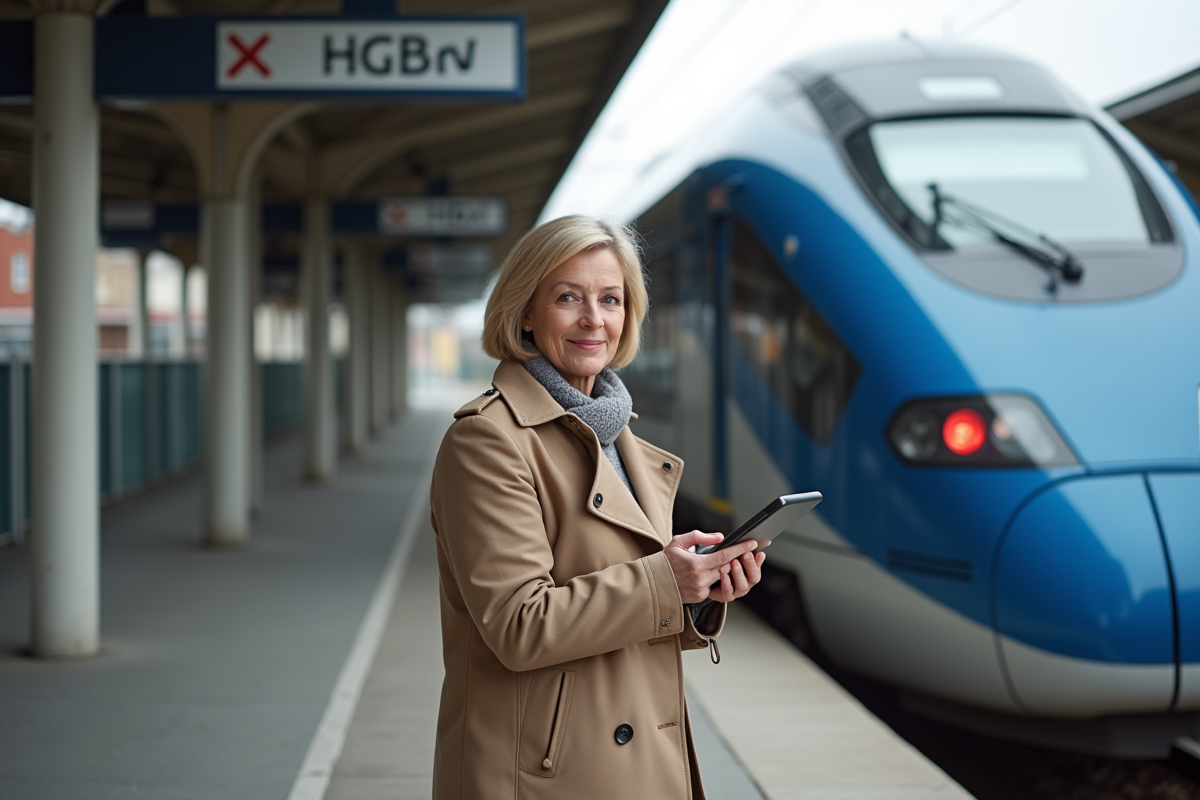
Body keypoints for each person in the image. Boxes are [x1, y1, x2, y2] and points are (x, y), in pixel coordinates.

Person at [429, 215, 766, 800]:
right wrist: (666, 582)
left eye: (610, 299)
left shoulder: (618, 436)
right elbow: (518, 624)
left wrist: (702, 594)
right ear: (525, 313)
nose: (594, 319)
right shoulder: (487, 441)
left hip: (631, 760)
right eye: (568, 298)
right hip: (543, 773)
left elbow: (636, 602)